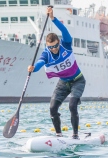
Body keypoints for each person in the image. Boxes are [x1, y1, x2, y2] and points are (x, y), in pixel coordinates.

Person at [27, 7, 85, 139]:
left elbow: (64, 31)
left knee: (72, 106)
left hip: (78, 80)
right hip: (63, 83)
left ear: (58, 42)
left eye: (55, 46)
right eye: (50, 47)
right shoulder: (46, 53)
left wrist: (53, 19)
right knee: (53, 108)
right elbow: (40, 64)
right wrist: (33, 68)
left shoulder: (66, 44)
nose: (53, 49)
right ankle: (59, 135)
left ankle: (75, 135)